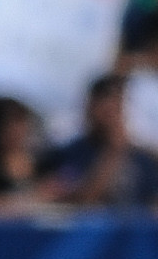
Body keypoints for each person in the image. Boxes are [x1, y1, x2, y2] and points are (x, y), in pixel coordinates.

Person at [41, 74, 158, 206]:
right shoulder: (70, 154)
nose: (111, 115)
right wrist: (113, 153)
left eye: (116, 106)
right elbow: (81, 201)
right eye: (105, 107)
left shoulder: (142, 159)